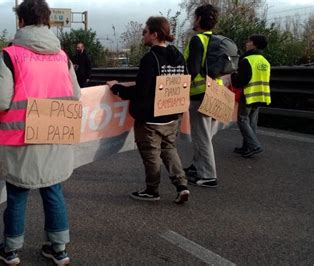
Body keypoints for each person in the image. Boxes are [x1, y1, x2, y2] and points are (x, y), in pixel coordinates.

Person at [0, 0, 80, 264]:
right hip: (54, 138)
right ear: (47, 21)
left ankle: (11, 250)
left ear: (21, 21)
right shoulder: (63, 56)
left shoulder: (11, 55)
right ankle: (58, 249)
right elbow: (76, 95)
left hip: (20, 142)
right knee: (54, 191)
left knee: (17, 196)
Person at [107, 16, 190, 204]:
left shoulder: (150, 58)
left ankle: (152, 190)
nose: (142, 35)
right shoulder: (178, 56)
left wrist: (117, 88)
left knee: (151, 154)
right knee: (169, 150)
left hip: (150, 118)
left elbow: (142, 90)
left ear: (154, 34)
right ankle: (182, 186)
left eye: (144, 31)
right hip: (170, 114)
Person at [183, 4, 223, 188]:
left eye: (194, 16)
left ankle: (208, 175)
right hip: (216, 91)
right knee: (205, 135)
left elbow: (192, 69)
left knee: (201, 136)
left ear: (199, 19)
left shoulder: (197, 40)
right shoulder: (216, 40)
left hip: (200, 93)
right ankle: (198, 168)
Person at [231, 34, 271, 158]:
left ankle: (254, 145)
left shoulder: (247, 60)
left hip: (249, 95)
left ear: (254, 44)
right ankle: (246, 148)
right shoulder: (265, 61)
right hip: (261, 96)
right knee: (252, 122)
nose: (246, 44)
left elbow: (241, 81)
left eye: (249, 42)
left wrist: (233, 76)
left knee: (242, 120)